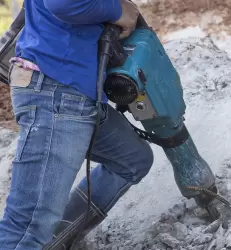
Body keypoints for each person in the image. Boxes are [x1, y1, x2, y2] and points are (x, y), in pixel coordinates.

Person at [0, 0, 155, 249]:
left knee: (133, 160)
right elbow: (64, 3)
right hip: (56, 89)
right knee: (27, 227)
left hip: (79, 92)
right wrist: (118, 10)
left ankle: (54, 242)